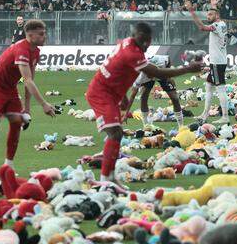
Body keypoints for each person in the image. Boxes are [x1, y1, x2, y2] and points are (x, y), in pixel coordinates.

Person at [86, 22, 201, 187]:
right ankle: (106, 179)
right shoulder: (132, 53)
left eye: (149, 40)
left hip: (110, 92)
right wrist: (188, 68)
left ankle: (108, 177)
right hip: (102, 94)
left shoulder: (127, 43)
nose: (146, 44)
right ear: (134, 36)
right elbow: (158, 72)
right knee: (115, 133)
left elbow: (120, 70)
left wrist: (123, 96)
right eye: (143, 40)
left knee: (116, 133)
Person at [0, 20, 56, 177]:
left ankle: (8, 164)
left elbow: (30, 80)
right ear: (30, 35)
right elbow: (27, 80)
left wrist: (27, 108)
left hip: (9, 87)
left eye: (44, 33)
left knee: (16, 123)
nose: (45, 37)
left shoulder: (36, 51)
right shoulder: (22, 49)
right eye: (41, 34)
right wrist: (43, 104)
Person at [185, 0, 231, 124]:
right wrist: (214, 5)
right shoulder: (221, 24)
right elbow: (213, 14)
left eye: (210, 14)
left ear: (217, 16)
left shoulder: (217, 25)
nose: (208, 16)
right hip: (218, 60)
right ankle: (205, 114)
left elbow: (201, 27)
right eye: (207, 14)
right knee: (208, 85)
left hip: (217, 61)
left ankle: (225, 116)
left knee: (220, 88)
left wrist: (191, 11)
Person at [126, 55, 185, 128]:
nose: (153, 77)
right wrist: (126, 113)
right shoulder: (140, 77)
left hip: (161, 73)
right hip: (149, 77)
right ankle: (146, 125)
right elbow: (132, 96)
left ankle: (181, 126)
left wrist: (169, 75)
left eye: (153, 75)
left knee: (174, 98)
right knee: (143, 97)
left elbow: (168, 58)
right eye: (150, 75)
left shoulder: (161, 62)